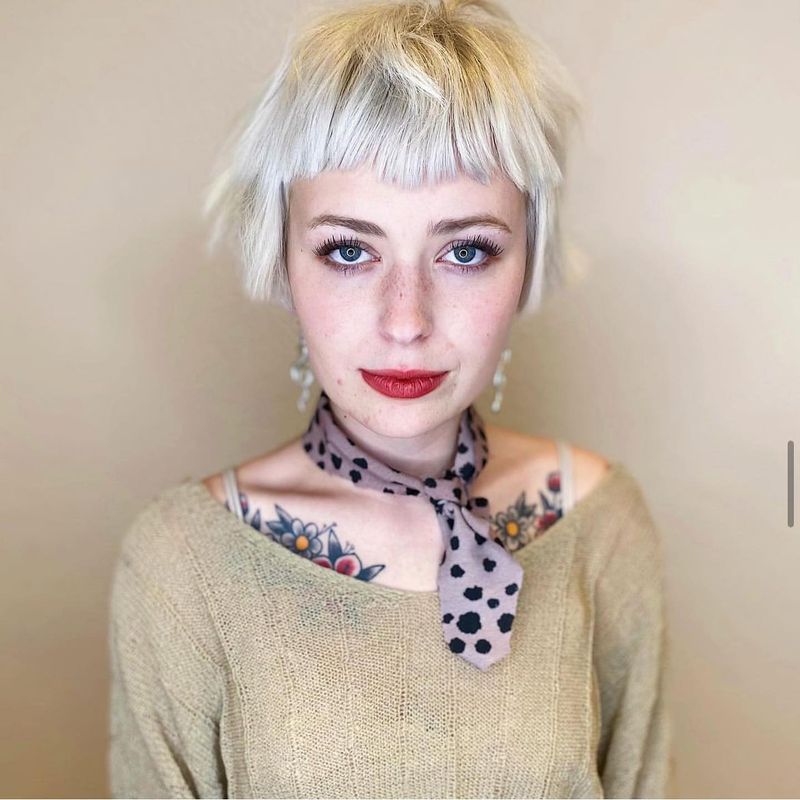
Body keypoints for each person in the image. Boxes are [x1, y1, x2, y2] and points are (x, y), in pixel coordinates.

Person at [107, 0, 674, 797]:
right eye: (348, 250)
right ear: (282, 258)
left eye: (466, 251)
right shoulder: (183, 561)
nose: (406, 320)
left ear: (527, 261)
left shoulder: (601, 525)